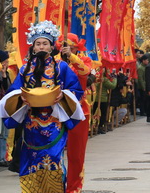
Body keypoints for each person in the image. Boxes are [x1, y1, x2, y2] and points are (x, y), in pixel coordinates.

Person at [0, 20, 84, 193]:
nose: (41, 47)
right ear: (33, 47)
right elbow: (13, 92)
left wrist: (62, 96)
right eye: (38, 44)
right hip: (31, 122)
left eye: (45, 43)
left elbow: (76, 89)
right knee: (31, 160)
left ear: (51, 47)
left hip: (54, 122)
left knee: (53, 159)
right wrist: (22, 98)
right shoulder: (24, 69)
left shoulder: (61, 67)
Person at [57, 33, 92, 193]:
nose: (67, 48)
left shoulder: (84, 60)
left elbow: (84, 72)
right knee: (53, 152)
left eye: (72, 46)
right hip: (55, 112)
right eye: (65, 46)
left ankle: (74, 187)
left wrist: (71, 57)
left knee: (75, 155)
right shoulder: (54, 62)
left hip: (79, 112)